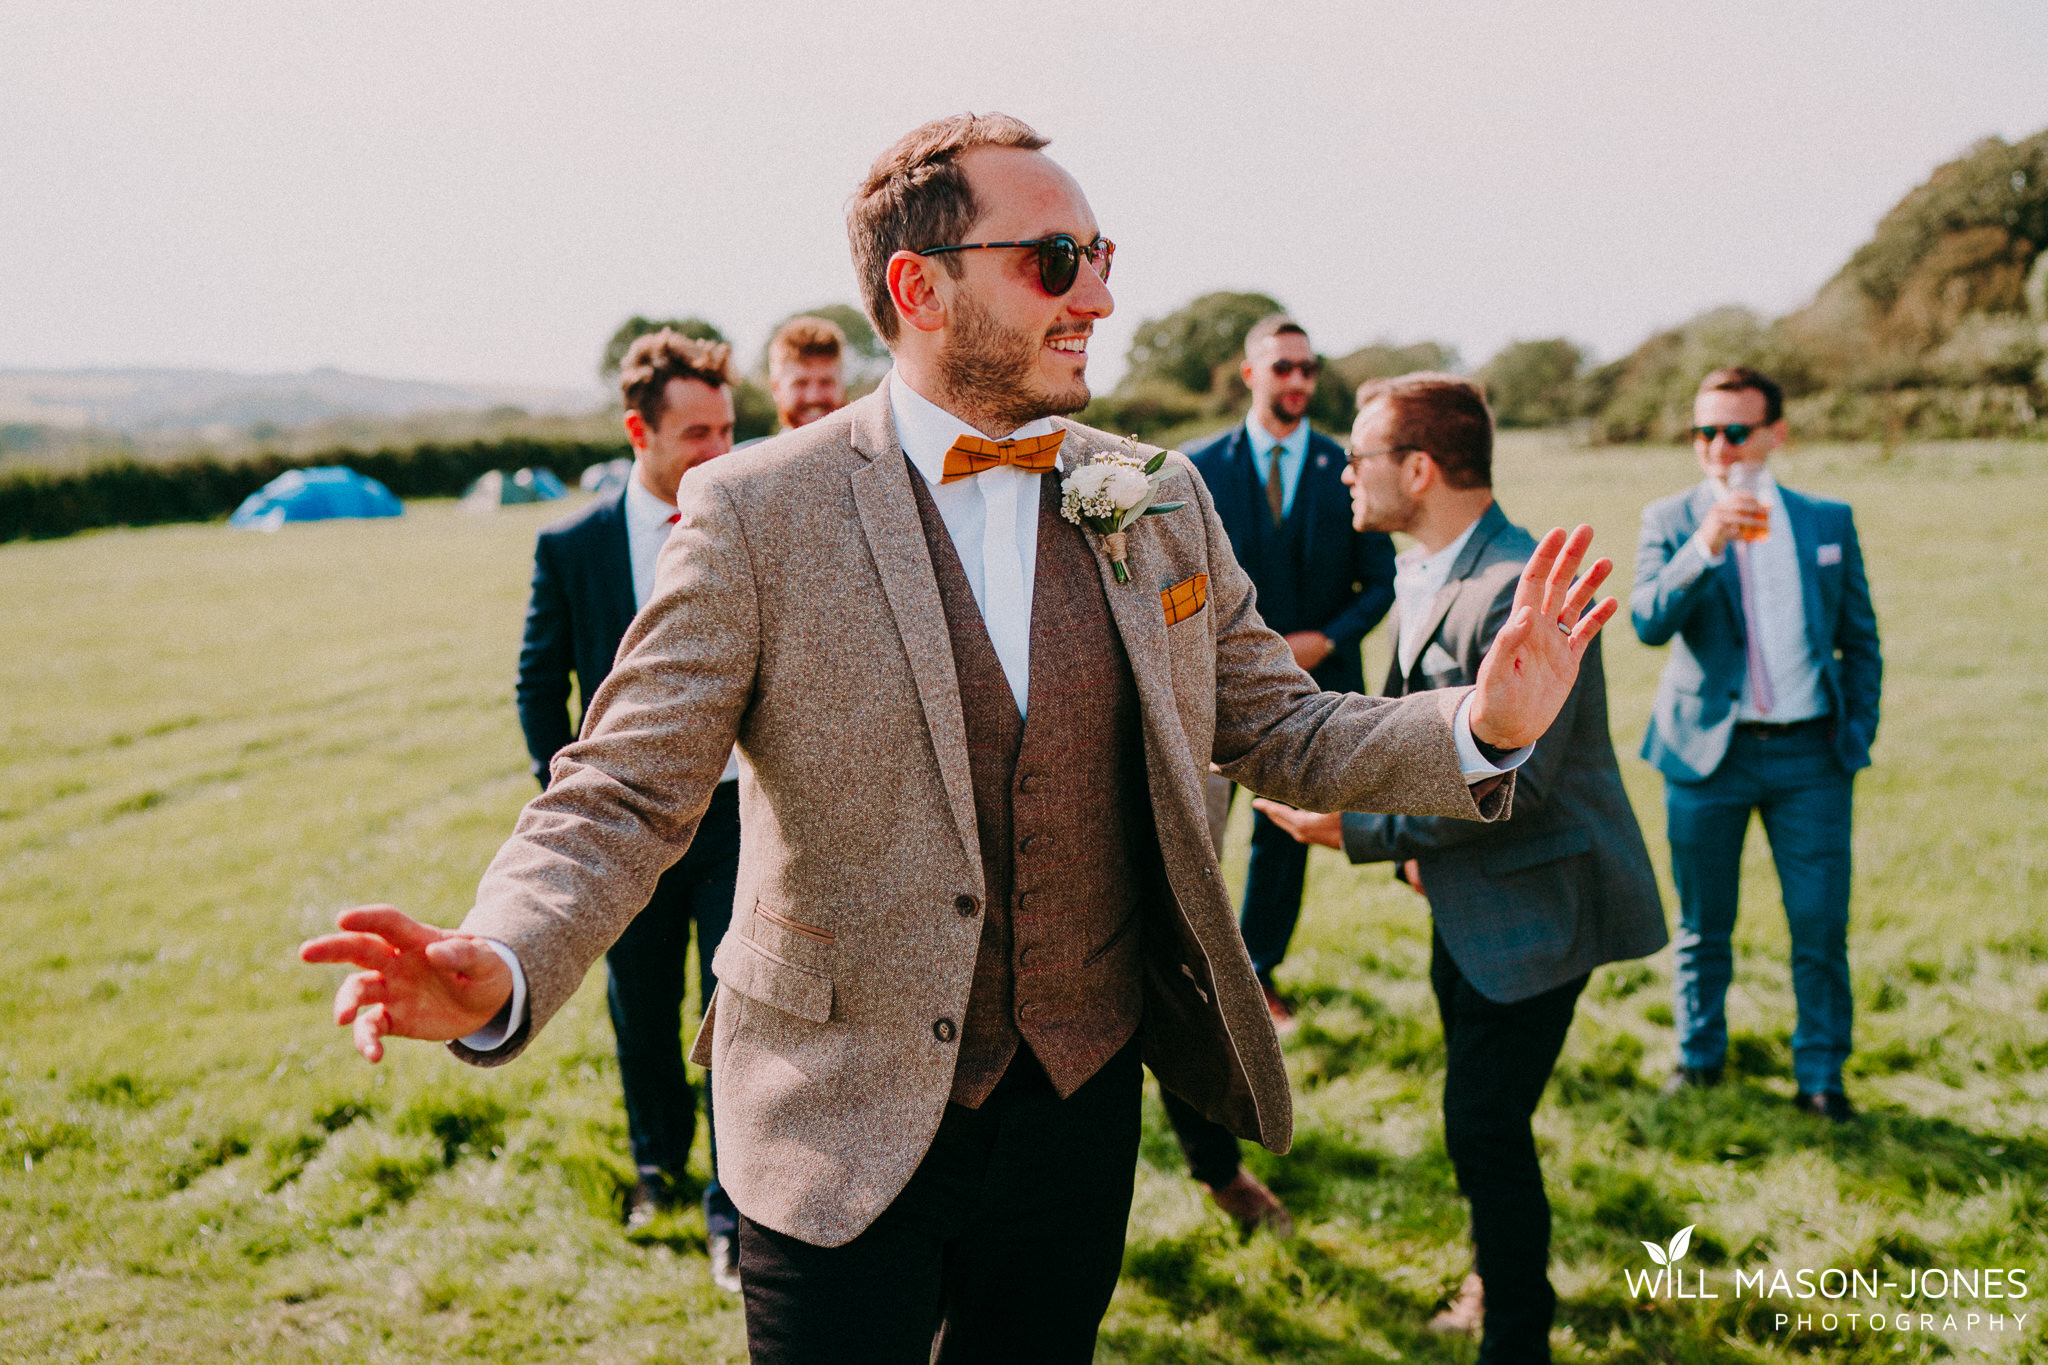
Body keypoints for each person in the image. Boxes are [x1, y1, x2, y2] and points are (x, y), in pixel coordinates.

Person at [300, 113, 1619, 1365]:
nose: (1096, 296)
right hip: (831, 1113)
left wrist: (1482, 726)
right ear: (919, 289)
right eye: (1056, 262)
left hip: (1080, 1102)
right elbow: (624, 789)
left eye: (1100, 259)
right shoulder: (759, 510)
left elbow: (1277, 723)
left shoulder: (1156, 497)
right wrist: (508, 951)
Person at [1256, 373, 1667, 1363]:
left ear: (1418, 468)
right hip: (1472, 908)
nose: (1341, 471)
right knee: (1483, 1120)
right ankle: (1497, 1279)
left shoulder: (1513, 591)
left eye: (1357, 455)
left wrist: (1347, 834)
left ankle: (1513, 1333)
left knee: (1481, 1126)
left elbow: (1505, 792)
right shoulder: (1439, 565)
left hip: (1536, 910)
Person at [512, 328, 744, 1287]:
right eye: (696, 433)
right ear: (637, 432)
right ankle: (657, 1168)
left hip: (741, 818)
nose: (718, 453)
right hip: (629, 830)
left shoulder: (750, 519)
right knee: (641, 1006)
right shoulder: (571, 546)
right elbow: (538, 680)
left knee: (736, 1010)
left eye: (728, 429)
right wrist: (570, 796)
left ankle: (736, 1205)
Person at [1633, 365, 1881, 1121]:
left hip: (1811, 755)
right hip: (1707, 753)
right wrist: (1705, 544)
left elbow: (1860, 640)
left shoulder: (1826, 520)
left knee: (1817, 922)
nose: (1718, 448)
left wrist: (1854, 731)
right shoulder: (1670, 519)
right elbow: (1647, 620)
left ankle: (1821, 1077)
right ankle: (1699, 1058)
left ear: (1776, 433)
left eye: (1735, 432)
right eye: (1704, 432)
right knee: (1704, 923)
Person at [1186, 316, 1398, 1029]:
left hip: (1311, 691)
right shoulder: (1194, 467)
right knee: (1198, 838)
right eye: (1283, 367)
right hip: (1210, 690)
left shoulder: (1346, 465)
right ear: (1250, 374)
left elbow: (1381, 581)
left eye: (1308, 368)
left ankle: (1258, 974)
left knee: (1285, 842)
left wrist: (1323, 639)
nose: (1299, 380)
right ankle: (1195, 979)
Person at [766, 314, 849, 432]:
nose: (813, 397)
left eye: (826, 382)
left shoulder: (878, 450)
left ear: (842, 385)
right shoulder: (748, 451)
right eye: (801, 383)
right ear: (776, 388)